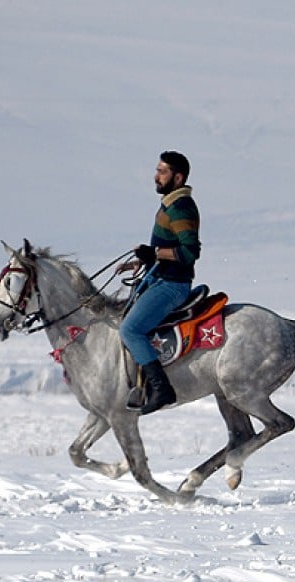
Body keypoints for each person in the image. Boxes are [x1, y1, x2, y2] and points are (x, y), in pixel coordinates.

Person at [119, 150, 201, 415]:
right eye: (157, 170)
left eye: (162, 172)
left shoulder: (181, 208)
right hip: (160, 278)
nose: (156, 176)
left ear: (178, 177)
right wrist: (142, 261)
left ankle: (161, 389)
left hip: (172, 285)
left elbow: (189, 252)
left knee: (130, 330)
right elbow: (166, 249)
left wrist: (153, 253)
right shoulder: (169, 205)